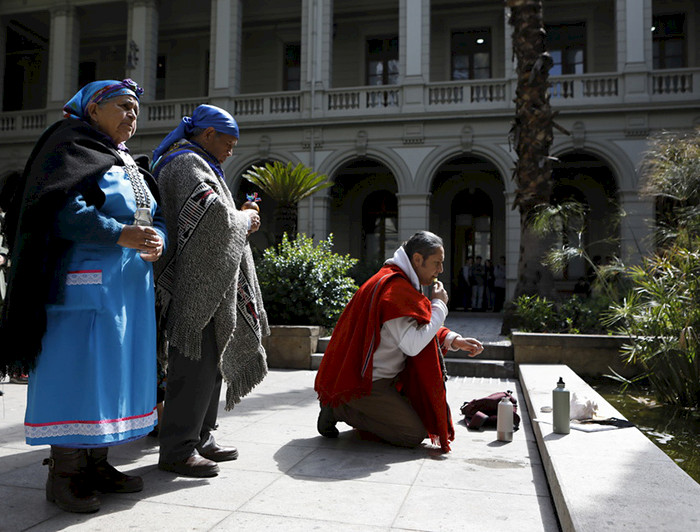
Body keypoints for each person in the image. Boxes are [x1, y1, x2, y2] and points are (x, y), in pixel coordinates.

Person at [0, 79, 166, 514]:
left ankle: (98, 463)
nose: (132, 116)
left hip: (126, 289)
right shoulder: (69, 145)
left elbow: (154, 213)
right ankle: (65, 474)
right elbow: (62, 210)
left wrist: (158, 239)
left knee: (112, 375)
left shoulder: (121, 157)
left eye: (136, 110)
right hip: (81, 283)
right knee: (76, 374)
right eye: (123, 107)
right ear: (94, 110)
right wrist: (122, 233)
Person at [152, 104, 269, 478]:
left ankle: (201, 436)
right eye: (228, 142)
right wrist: (245, 217)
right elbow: (212, 217)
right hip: (194, 284)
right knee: (193, 366)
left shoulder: (199, 162)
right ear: (207, 135)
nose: (231, 150)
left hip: (210, 281)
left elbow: (212, 215)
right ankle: (178, 448)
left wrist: (237, 215)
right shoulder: (185, 163)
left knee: (211, 365)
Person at [314, 231, 483, 451]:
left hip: (385, 378)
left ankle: (346, 406)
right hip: (365, 383)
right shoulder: (395, 290)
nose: (440, 270)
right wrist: (439, 306)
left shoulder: (397, 281)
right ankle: (338, 408)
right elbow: (412, 345)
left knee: (423, 415)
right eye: (437, 263)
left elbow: (417, 326)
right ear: (417, 260)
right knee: (412, 434)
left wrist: (453, 339)